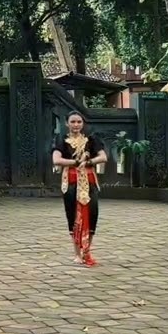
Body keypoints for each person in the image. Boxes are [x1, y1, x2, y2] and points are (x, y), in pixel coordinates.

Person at [51, 111, 108, 266]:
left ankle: (87, 250)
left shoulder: (91, 140)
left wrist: (89, 162)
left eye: (79, 122)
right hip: (70, 181)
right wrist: (75, 163)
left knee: (92, 213)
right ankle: (77, 253)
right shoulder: (61, 140)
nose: (76, 125)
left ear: (83, 124)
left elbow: (103, 157)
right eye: (73, 122)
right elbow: (56, 160)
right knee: (73, 215)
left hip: (89, 181)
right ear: (67, 124)